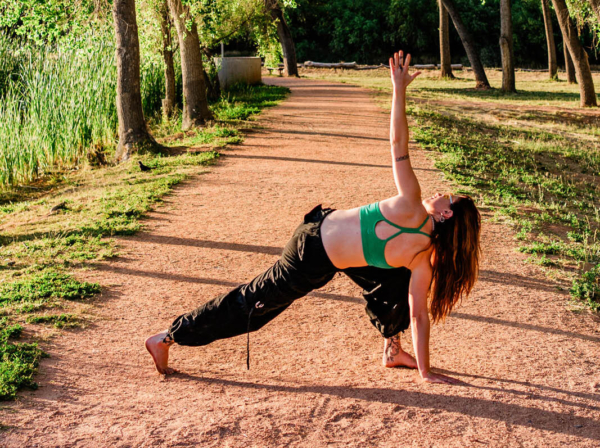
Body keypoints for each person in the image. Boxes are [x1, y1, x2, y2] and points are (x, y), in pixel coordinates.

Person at [146, 51, 481, 384]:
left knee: (394, 282)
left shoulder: (412, 211)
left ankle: (392, 349)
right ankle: (167, 337)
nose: (439, 193)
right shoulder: (421, 259)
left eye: (446, 196)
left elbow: (398, 144)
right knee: (255, 306)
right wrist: (426, 373)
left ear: (446, 214)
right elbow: (419, 316)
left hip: (325, 236)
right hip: (311, 252)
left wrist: (399, 89)